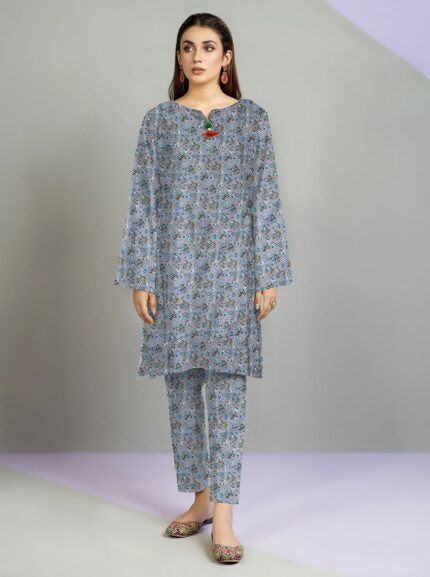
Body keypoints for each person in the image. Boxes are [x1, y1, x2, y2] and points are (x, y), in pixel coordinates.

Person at [114, 12, 293, 564]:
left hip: (233, 272)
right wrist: (143, 275)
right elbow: (143, 201)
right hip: (174, 273)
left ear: (226, 57)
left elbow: (266, 196)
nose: (197, 56)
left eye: (208, 47)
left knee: (228, 394)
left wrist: (268, 272)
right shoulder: (158, 122)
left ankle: (226, 517)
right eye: (188, 47)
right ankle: (198, 499)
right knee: (182, 392)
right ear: (178, 56)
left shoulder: (253, 120)